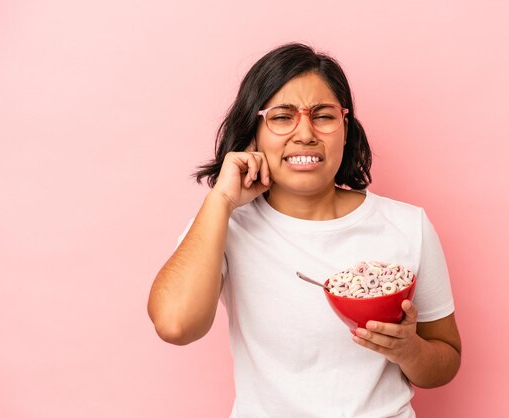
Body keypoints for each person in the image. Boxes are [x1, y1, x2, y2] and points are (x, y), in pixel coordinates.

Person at [147, 43, 461, 418]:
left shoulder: (407, 226)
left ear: (345, 129)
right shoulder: (225, 226)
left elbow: (445, 361)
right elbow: (175, 325)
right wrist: (222, 199)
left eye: (323, 116)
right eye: (282, 117)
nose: (305, 133)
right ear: (253, 134)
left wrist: (408, 349)